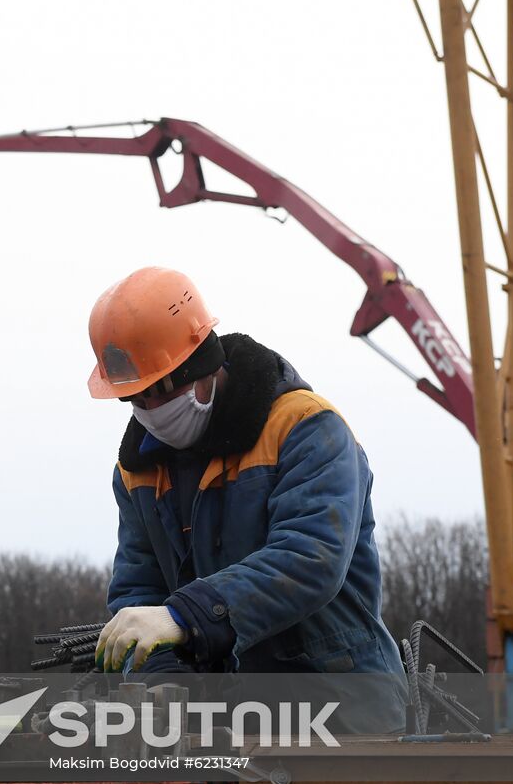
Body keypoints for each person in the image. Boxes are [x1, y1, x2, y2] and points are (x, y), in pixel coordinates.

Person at [85, 267, 404, 688]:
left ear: (200, 365)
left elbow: (311, 556)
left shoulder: (305, 428)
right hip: (234, 706)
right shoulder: (137, 471)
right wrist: (160, 672)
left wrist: (185, 616)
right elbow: (139, 589)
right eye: (135, 399)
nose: (151, 411)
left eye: (160, 390)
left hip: (343, 697)